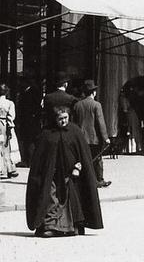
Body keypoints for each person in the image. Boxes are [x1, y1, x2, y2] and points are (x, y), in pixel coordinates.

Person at [27, 97, 103, 237]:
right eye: (60, 119)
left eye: (65, 118)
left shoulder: (75, 132)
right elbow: (39, 158)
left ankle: (73, 226)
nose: (63, 121)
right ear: (54, 119)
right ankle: (50, 226)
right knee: (51, 198)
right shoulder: (47, 134)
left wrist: (78, 167)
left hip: (71, 175)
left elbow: (83, 155)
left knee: (72, 201)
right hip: (52, 175)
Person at [69, 81, 109, 189]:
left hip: (81, 138)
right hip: (94, 138)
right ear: (93, 92)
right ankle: (99, 180)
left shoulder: (77, 105)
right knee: (97, 159)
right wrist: (105, 138)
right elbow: (101, 123)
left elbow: (74, 122)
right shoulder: (96, 105)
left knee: (83, 159)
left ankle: (85, 180)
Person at [0, 82, 17, 178]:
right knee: (6, 147)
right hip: (4, 125)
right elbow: (11, 117)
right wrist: (10, 129)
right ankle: (9, 169)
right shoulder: (9, 103)